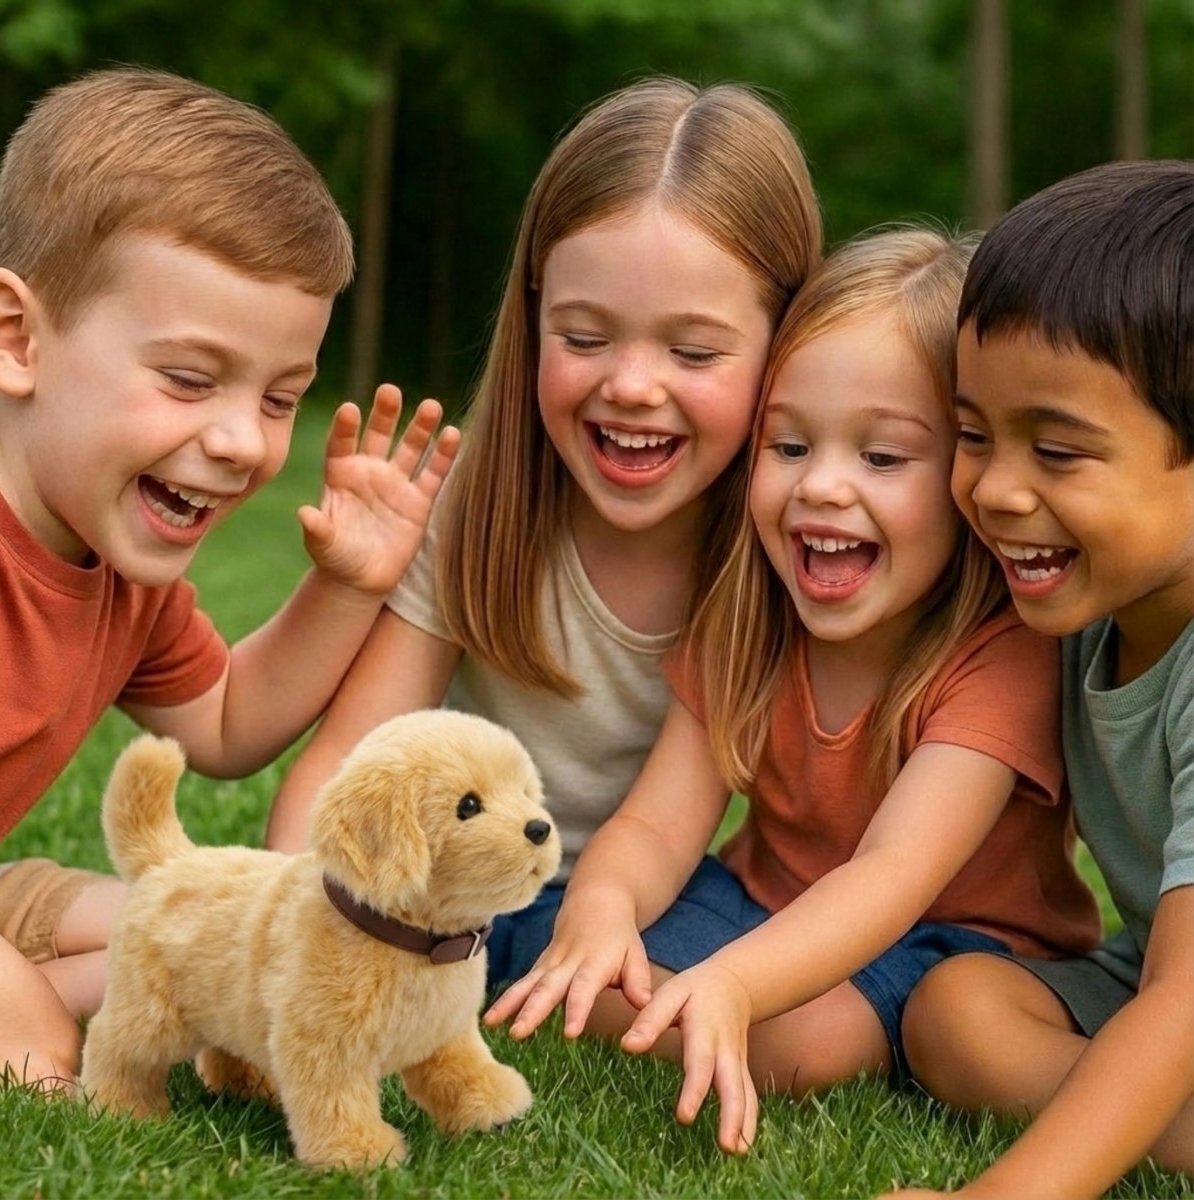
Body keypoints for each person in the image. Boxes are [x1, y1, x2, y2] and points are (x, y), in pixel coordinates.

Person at [486, 228, 1101, 1155]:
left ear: (967, 476)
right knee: (593, 935)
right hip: (755, 903)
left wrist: (734, 985)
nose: (822, 487)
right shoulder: (751, 618)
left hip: (944, 941)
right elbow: (656, 827)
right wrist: (603, 908)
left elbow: (889, 876)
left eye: (883, 458)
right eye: (789, 445)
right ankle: (556, 956)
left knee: (806, 1044)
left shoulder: (1000, 655)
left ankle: (577, 973)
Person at [263, 77, 823, 991]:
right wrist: (289, 928)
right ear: (532, 319)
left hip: (640, 892)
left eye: (692, 352)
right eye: (585, 338)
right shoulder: (478, 507)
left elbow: (667, 827)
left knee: (796, 1028)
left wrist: (605, 923)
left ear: (785, 344)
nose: (632, 386)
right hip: (447, 886)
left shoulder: (774, 553)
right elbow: (352, 757)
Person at [0, 68, 459, 1092]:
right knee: (31, 1039)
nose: (243, 441)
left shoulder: (122, 578)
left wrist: (348, 587)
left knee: (223, 931)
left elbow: (225, 725)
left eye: (280, 398)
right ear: (18, 339)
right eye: (190, 380)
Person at [884, 161, 1194, 1199]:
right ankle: (1149, 1115)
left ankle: (1131, 1109)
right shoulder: (1080, 602)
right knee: (954, 1012)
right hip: (1156, 981)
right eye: (974, 437)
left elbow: (1183, 1002)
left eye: (1057, 452)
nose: (996, 490)